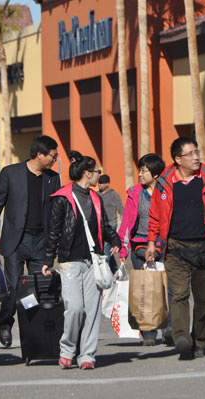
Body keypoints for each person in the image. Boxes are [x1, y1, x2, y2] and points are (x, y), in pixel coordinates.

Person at [145, 137, 205, 360]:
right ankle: (182, 338)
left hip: (203, 247)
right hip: (175, 247)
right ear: (178, 159)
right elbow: (155, 214)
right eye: (190, 154)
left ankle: (200, 341)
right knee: (180, 295)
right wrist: (151, 242)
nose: (196, 157)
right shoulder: (165, 183)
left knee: (203, 299)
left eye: (197, 152)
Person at [0, 136, 60, 348]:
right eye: (53, 155)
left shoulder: (53, 178)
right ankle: (5, 323)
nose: (55, 159)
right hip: (16, 240)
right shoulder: (10, 173)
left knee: (35, 288)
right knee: (14, 287)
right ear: (40, 154)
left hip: (40, 241)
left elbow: (54, 212)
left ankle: (32, 331)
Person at [42, 151, 121, 370]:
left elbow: (104, 225)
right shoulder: (63, 197)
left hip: (92, 260)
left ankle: (87, 355)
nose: (99, 175)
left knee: (93, 309)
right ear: (87, 173)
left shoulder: (96, 198)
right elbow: (54, 231)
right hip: (69, 261)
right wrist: (49, 259)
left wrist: (115, 238)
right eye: (97, 172)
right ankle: (67, 350)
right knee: (75, 307)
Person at [118, 153, 167, 346]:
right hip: (140, 246)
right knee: (145, 290)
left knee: (166, 289)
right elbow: (127, 223)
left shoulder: (165, 192)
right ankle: (148, 333)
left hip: (164, 246)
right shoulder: (135, 193)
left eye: (144, 171)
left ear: (155, 174)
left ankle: (170, 328)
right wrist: (122, 250)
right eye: (140, 170)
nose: (140, 174)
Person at [97, 174, 123, 272]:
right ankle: (115, 270)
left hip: (111, 224)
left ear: (108, 184)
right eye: (99, 183)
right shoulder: (96, 194)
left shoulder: (114, 195)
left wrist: (123, 228)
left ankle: (105, 272)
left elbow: (121, 210)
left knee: (106, 248)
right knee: (106, 249)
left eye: (102, 183)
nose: (100, 185)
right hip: (100, 225)